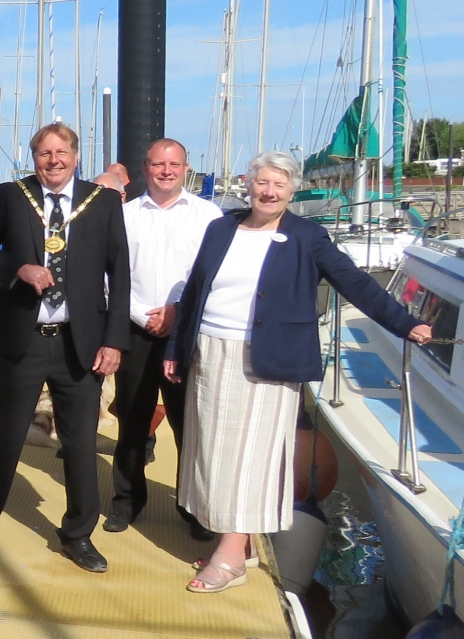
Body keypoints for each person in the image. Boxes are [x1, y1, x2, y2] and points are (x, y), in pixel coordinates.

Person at [164, 151, 431, 593]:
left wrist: (405, 323)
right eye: (262, 183)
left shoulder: (307, 236)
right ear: (248, 185)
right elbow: (195, 290)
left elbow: (356, 283)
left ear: (291, 191)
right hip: (211, 353)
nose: (269, 192)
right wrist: (176, 346)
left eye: (279, 185)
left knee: (249, 455)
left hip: (270, 358)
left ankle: (230, 553)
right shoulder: (222, 228)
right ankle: (237, 542)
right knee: (211, 449)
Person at [0, 123, 130, 573]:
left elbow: (120, 272)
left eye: (61, 152)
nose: (54, 160)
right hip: (22, 341)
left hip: (79, 344)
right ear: (34, 158)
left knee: (81, 444)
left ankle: (77, 536)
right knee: (1, 439)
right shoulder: (14, 195)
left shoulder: (102, 202)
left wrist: (114, 341)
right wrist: (18, 270)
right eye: (44, 153)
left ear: (75, 154)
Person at [105, 139, 222, 542]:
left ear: (186, 167)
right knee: (133, 420)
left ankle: (193, 507)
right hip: (137, 330)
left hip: (186, 332)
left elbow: (211, 276)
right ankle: (126, 500)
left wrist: (176, 311)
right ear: (145, 167)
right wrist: (142, 314)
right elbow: (110, 275)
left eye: (174, 164)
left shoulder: (209, 216)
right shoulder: (124, 215)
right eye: (158, 164)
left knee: (188, 423)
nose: (166, 171)